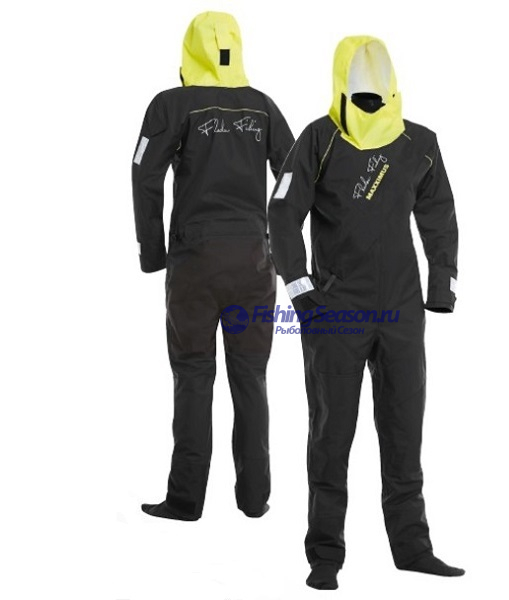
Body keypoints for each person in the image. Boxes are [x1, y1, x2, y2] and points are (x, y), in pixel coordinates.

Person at [268, 35, 464, 589]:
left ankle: (413, 548)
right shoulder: (318, 139)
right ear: (341, 88)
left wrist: (442, 286)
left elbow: (440, 215)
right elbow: (282, 211)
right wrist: (301, 290)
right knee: (331, 436)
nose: (369, 99)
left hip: (402, 311)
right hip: (334, 311)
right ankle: (325, 556)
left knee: (404, 431)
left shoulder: (420, 143)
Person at [132, 12, 294, 521]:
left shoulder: (171, 104)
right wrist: (281, 248)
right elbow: (295, 175)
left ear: (189, 52)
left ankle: (185, 500)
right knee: (251, 376)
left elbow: (143, 174)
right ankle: (254, 498)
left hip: (195, 265)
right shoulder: (263, 107)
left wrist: (152, 253)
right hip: (253, 263)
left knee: (193, 375)